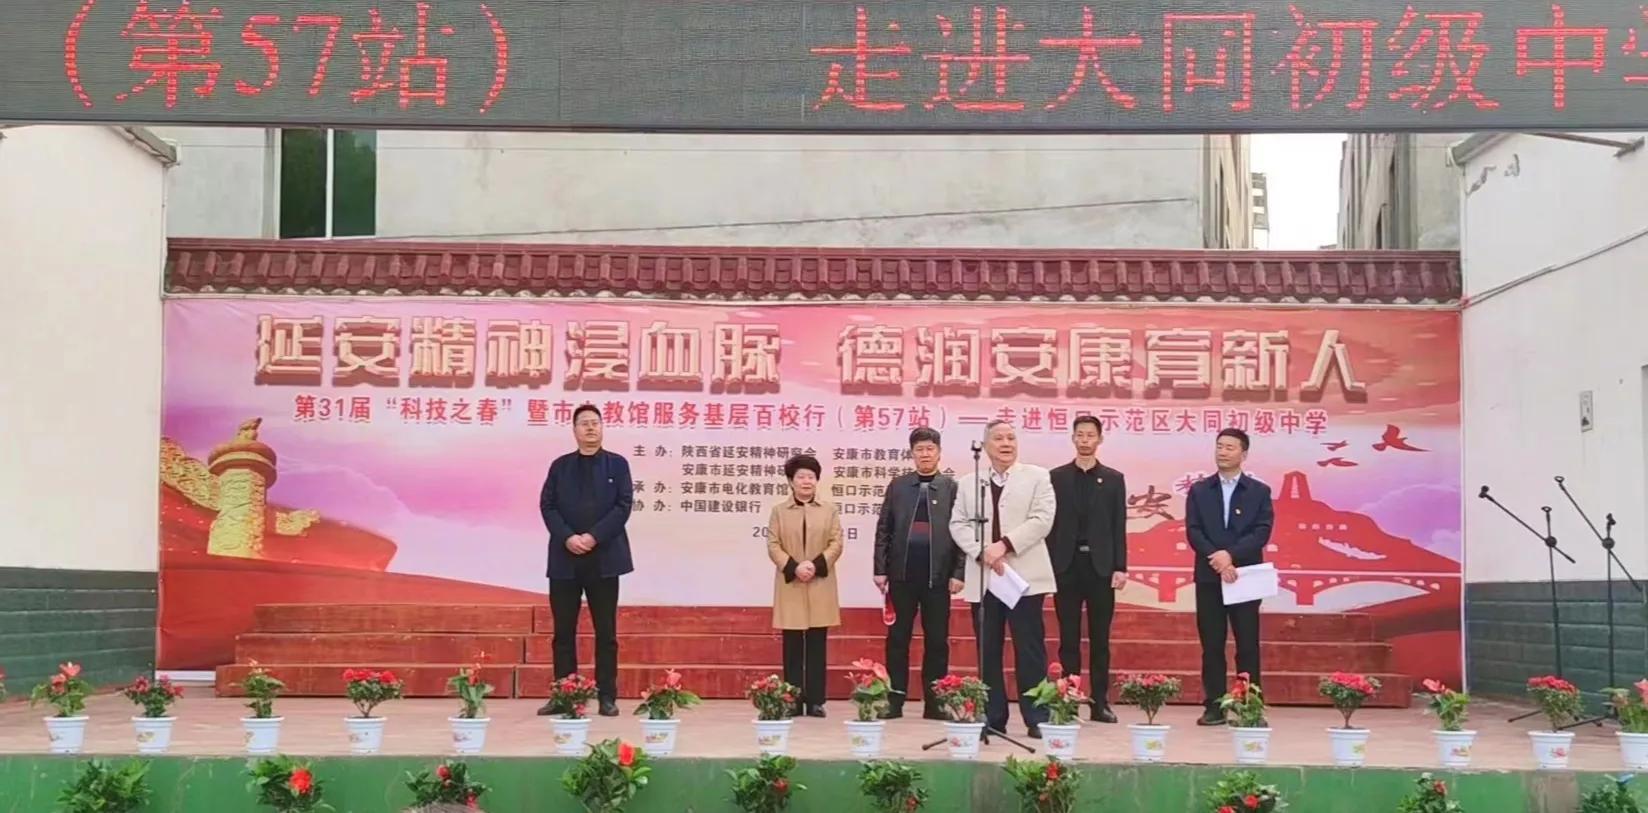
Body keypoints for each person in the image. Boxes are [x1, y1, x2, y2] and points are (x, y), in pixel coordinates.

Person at [949, 419, 1056, 738]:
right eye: (999, 438)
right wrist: (982, 551)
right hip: (985, 576)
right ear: (985, 445)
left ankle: (1037, 716)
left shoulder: (1038, 476)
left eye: (1011, 438)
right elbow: (957, 524)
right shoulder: (969, 481)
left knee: (1030, 647)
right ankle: (993, 717)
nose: (1006, 443)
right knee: (988, 649)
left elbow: (1042, 520)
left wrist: (1004, 545)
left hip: (1024, 576)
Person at [538, 403, 633, 717]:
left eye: (595, 422)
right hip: (565, 560)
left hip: (605, 559)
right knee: (563, 632)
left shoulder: (617, 465)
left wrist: (593, 537)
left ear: (602, 428)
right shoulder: (560, 466)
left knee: (606, 633)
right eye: (584, 423)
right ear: (574, 430)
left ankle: (607, 696)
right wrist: (568, 537)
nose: (590, 428)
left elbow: (623, 506)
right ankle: (565, 695)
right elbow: (548, 506)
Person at [873, 426, 965, 720]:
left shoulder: (951, 488)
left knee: (937, 641)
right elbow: (884, 528)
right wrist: (880, 569)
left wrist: (959, 572)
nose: (925, 454)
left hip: (938, 577)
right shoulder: (898, 486)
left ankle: (935, 703)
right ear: (912, 454)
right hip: (902, 576)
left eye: (930, 449)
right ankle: (894, 701)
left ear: (939, 453)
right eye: (919, 450)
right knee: (897, 640)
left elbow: (962, 533)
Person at [1184, 428, 1274, 726]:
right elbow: (1194, 530)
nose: (1222, 452)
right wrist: (1218, 559)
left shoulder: (1258, 491)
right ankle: (1214, 705)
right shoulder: (1200, 490)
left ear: (1243, 454)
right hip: (1209, 576)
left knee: (1247, 645)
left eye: (1229, 447)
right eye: (1219, 446)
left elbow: (1261, 532)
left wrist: (1231, 556)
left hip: (1244, 576)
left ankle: (1249, 706)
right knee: (1212, 645)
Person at [1047, 415, 1128, 724]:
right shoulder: (1056, 477)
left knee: (1100, 640)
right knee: (1068, 639)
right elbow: (1049, 525)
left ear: (1099, 439)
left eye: (1090, 435)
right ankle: (1068, 700)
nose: (1084, 440)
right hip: (1066, 566)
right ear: (1072, 438)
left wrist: (1120, 566)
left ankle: (1100, 703)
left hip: (1101, 568)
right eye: (1079, 435)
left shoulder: (1113, 479)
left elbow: (1118, 525)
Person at [766, 453, 843, 718]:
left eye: (811, 476)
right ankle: (792, 700)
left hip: (820, 583)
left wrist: (815, 565)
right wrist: (794, 567)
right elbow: (773, 544)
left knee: (817, 645)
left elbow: (836, 543)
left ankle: (816, 701)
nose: (806, 481)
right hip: (791, 583)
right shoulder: (779, 511)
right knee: (792, 646)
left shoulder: (829, 510)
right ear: (791, 481)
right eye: (801, 477)